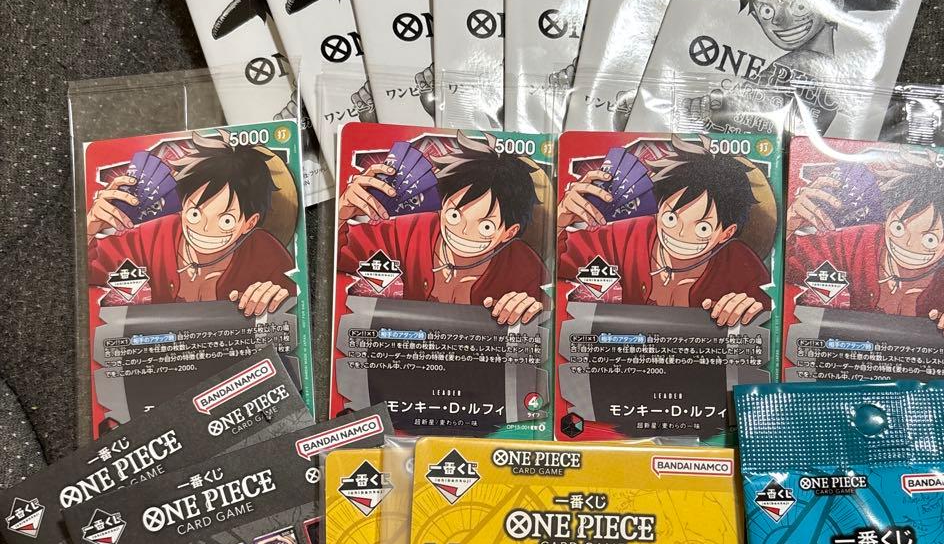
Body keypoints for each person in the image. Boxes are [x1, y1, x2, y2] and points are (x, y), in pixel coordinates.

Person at [557, 139, 770, 325]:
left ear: (726, 233)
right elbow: (558, 263)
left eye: (702, 228)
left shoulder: (741, 267)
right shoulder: (626, 236)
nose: (680, 233)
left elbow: (768, 313)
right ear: (658, 209)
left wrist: (749, 309)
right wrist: (559, 221)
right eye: (671, 218)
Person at [338, 135, 546, 325]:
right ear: (442, 205)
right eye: (454, 215)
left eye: (486, 226)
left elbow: (547, 316)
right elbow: (341, 255)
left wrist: (530, 310)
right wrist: (341, 213)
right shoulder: (409, 230)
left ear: (509, 232)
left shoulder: (525, 268)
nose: (463, 231)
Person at [86, 131, 295, 316]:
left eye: (226, 220)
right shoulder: (156, 235)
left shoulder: (266, 255)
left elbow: (295, 301)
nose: (204, 228)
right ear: (182, 205)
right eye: (195, 214)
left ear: (249, 223)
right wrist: (88, 228)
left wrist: (277, 296)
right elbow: (90, 271)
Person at [788, 162, 944, 338]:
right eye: (898, 227)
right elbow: (788, 265)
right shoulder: (855, 243)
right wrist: (789, 224)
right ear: (887, 218)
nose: (907, 243)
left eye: (929, 239)